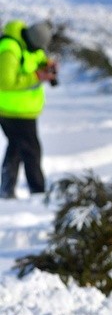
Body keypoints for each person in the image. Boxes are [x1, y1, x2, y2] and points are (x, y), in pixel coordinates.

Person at [0, 19, 57, 199]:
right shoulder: (10, 49)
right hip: (12, 111)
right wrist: (36, 76)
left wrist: (47, 66)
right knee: (32, 151)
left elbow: (37, 58)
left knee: (16, 147)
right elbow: (5, 82)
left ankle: (7, 190)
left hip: (24, 110)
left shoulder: (32, 45)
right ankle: (38, 193)